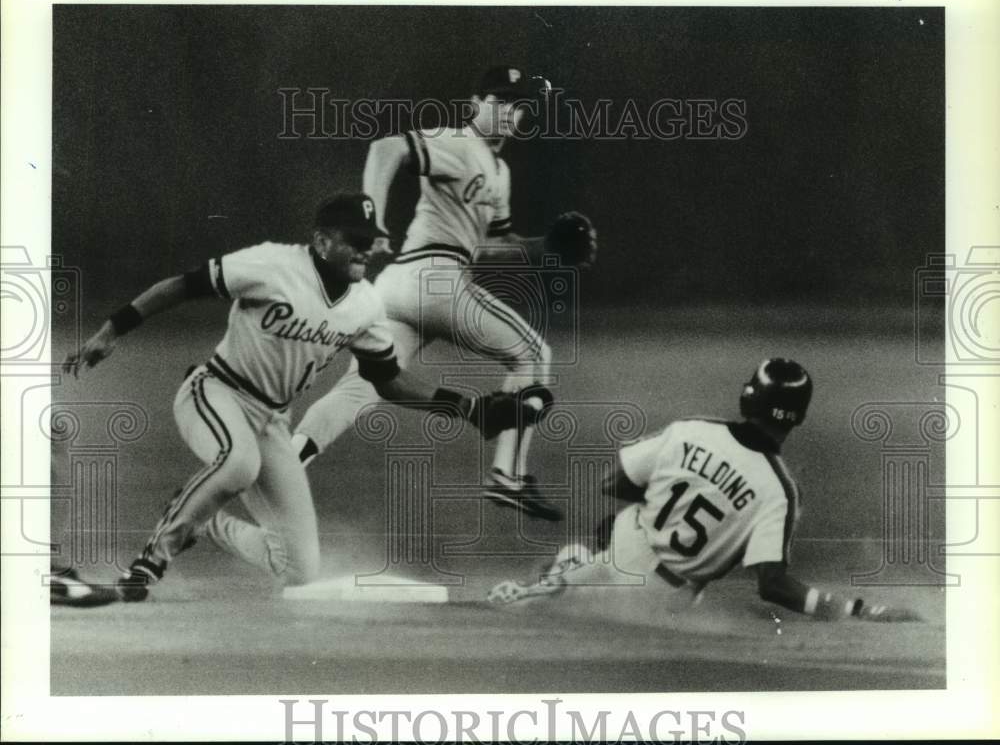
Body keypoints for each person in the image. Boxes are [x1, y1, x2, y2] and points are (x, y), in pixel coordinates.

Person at [63, 193, 549, 601]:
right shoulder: (272, 264)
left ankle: (206, 525)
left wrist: (466, 408)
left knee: (298, 567)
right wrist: (112, 330)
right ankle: (147, 567)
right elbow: (183, 286)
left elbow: (388, 380)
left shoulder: (365, 304)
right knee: (238, 465)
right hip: (216, 393)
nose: (368, 250)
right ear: (321, 240)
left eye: (371, 240)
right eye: (356, 241)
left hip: (271, 419)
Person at [292, 66, 596, 522]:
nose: (508, 111)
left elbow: (495, 248)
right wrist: (370, 218)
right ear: (476, 104)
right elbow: (386, 147)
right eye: (498, 100)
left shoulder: (500, 171)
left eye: (517, 104)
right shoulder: (458, 142)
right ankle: (508, 477)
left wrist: (545, 248)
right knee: (533, 353)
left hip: (399, 287)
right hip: (432, 281)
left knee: (361, 387)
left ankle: (287, 461)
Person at [488, 358, 923, 623]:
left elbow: (614, 483)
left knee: (574, 562)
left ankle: (562, 575)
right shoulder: (780, 492)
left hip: (621, 553)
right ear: (797, 418)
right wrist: (854, 609)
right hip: (663, 601)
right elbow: (773, 585)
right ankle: (565, 576)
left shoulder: (690, 430)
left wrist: (679, 490)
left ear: (748, 398)